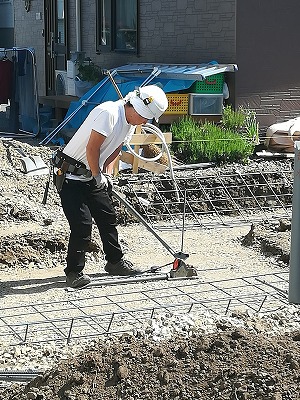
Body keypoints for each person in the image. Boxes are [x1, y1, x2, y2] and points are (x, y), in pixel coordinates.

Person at [52, 85, 168, 288]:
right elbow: (92, 148)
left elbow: (114, 150)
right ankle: (74, 272)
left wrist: (105, 174)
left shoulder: (129, 124)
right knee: (82, 225)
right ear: (138, 109)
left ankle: (115, 262)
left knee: (107, 217)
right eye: (146, 117)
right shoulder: (109, 113)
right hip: (71, 176)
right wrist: (97, 175)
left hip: (92, 175)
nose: (146, 122)